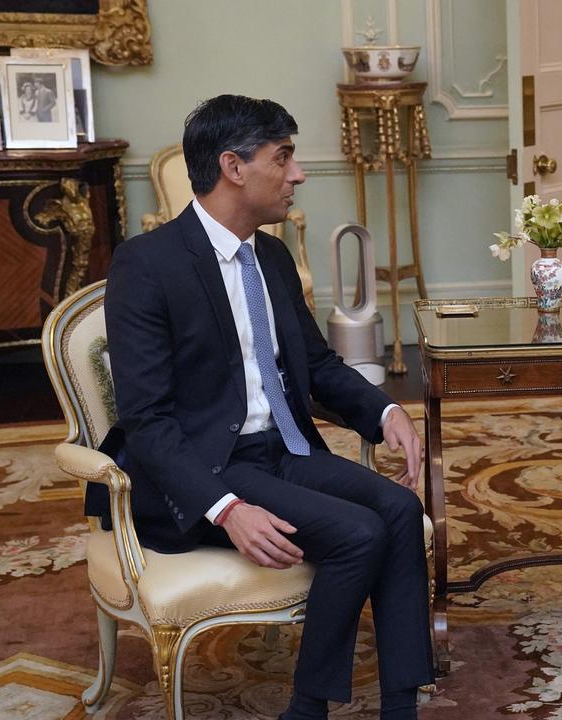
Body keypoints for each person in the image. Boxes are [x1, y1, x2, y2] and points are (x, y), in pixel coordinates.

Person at [97, 95, 433, 720]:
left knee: (400, 508)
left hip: (284, 448)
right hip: (210, 467)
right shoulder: (147, 264)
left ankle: (400, 704)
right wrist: (225, 511)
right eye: (283, 157)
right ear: (233, 167)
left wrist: (384, 412)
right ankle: (305, 709)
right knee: (358, 533)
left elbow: (319, 366)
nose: (297, 174)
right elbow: (146, 418)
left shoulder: (272, 257)